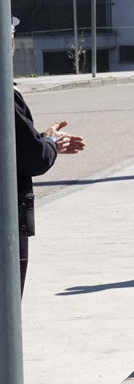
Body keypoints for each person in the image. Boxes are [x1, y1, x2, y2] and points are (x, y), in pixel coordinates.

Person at [12, 17, 85, 295]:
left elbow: (19, 145)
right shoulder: (7, 94)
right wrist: (49, 142)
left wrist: (45, 140)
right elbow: (34, 159)